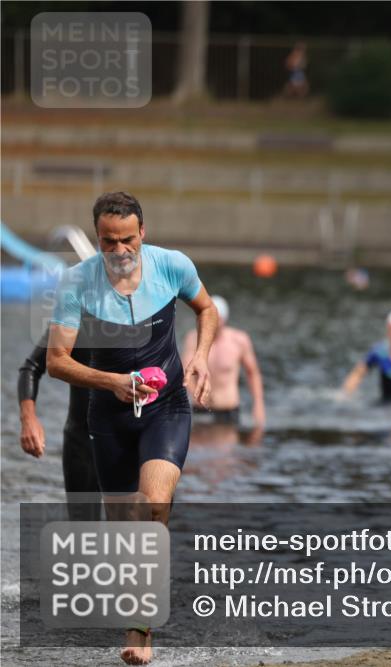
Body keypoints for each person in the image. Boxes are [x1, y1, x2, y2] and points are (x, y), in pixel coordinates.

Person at [46, 191, 217, 665]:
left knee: (153, 505)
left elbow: (207, 309)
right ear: (97, 238)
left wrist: (200, 357)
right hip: (109, 416)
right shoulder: (77, 282)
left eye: (128, 240)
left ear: (143, 232)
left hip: (167, 408)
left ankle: (140, 630)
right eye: (108, 242)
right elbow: (56, 361)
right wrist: (114, 382)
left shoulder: (172, 266)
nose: (120, 251)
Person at [18, 329, 102, 521]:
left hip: (125, 444)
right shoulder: (73, 319)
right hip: (81, 442)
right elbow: (31, 368)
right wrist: (29, 419)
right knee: (83, 533)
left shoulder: (140, 318)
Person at [182, 295, 266, 439]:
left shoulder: (239, 340)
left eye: (217, 319)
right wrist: (195, 391)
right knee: (197, 450)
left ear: (224, 319)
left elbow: (253, 373)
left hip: (228, 410)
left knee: (227, 450)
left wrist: (258, 404)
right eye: (210, 318)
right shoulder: (193, 338)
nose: (214, 323)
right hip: (200, 409)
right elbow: (185, 372)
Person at [340, 309, 391, 403]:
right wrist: (345, 395)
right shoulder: (380, 352)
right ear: (388, 331)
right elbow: (357, 373)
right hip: (384, 403)